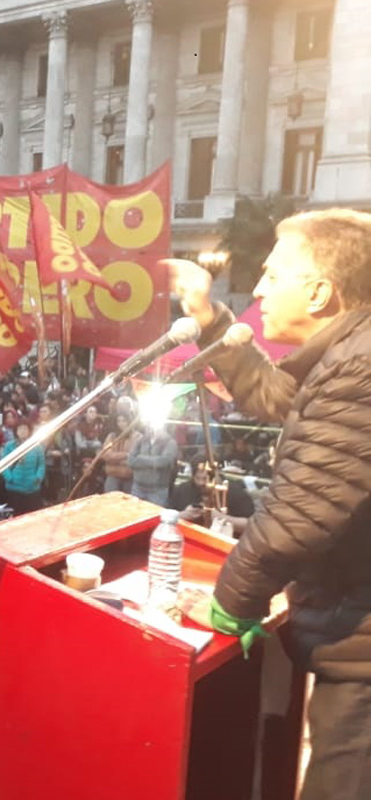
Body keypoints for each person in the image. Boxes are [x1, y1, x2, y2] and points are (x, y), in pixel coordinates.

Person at [168, 209, 371, 799]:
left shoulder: (359, 365)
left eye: (272, 275)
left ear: (319, 291)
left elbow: (300, 516)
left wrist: (228, 608)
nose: (257, 288)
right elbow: (270, 391)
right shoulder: (343, 352)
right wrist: (208, 320)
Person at [1, 422, 45, 514]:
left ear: (29, 431)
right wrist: (9, 478)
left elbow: (41, 464)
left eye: (25, 429)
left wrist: (38, 477)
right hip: (14, 488)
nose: (22, 431)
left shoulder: (36, 446)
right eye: (20, 429)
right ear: (16, 431)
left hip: (32, 487)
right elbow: (3, 465)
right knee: (17, 515)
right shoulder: (9, 446)